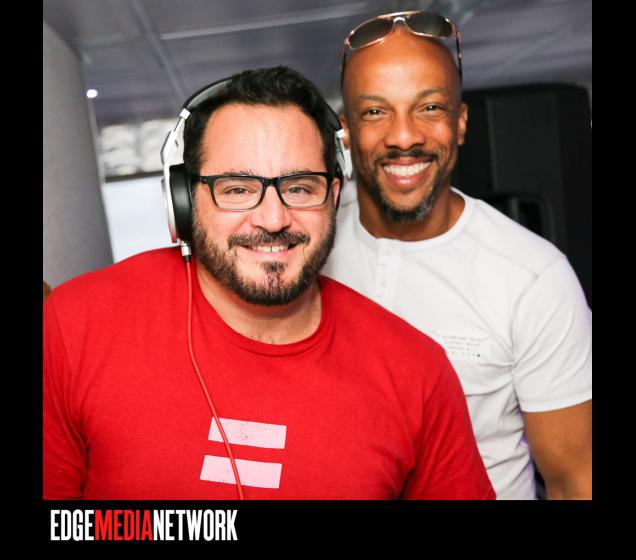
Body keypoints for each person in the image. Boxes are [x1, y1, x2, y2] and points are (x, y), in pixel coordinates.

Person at [43, 66, 495, 500]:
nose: (273, 219)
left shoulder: (417, 374)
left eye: (299, 188)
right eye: (237, 189)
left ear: (333, 197)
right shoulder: (74, 325)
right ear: (183, 201)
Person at [323, 11, 592, 500]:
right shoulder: (307, 250)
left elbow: (575, 481)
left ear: (461, 123)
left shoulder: (534, 278)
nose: (404, 137)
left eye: (429, 108)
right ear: (346, 131)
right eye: (376, 112)